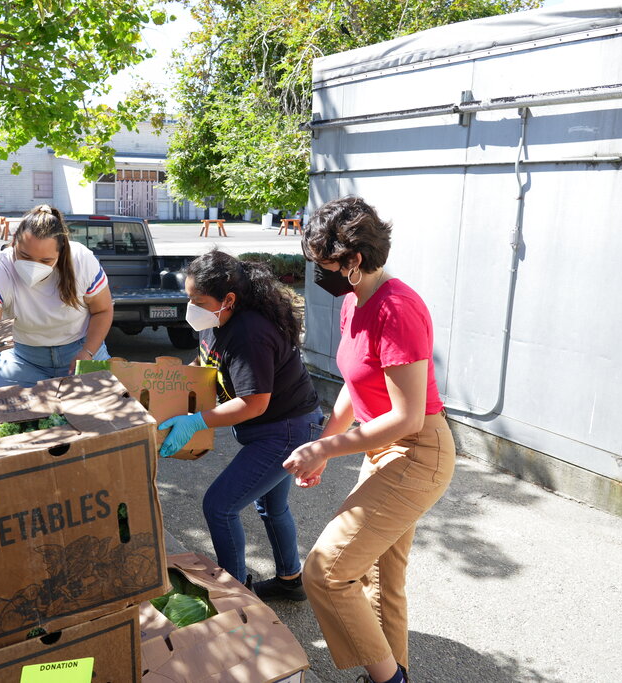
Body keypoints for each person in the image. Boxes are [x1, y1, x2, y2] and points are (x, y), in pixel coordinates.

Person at [282, 197, 455, 683]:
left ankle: (388, 679)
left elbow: (405, 417)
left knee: (326, 573)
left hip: (417, 452)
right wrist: (324, 444)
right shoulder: (354, 303)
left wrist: (326, 449)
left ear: (354, 260)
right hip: (382, 450)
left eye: (325, 262)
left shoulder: (397, 308)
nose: (319, 272)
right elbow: (355, 392)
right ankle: (390, 675)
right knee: (382, 576)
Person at [158, 249, 323, 599]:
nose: (192, 308)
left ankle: (235, 592)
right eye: (189, 298)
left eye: (198, 300)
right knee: (271, 505)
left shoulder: (250, 332)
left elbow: (254, 402)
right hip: (273, 425)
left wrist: (197, 421)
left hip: (287, 429)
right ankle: (291, 581)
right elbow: (206, 365)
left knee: (219, 505)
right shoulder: (215, 321)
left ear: (228, 299)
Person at [0, 204, 112, 387]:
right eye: (25, 256)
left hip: (82, 350)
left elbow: (103, 310)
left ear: (61, 253)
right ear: (13, 244)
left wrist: (88, 352)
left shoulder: (81, 261)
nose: (33, 266)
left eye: (45, 261)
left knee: (106, 412)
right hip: (22, 357)